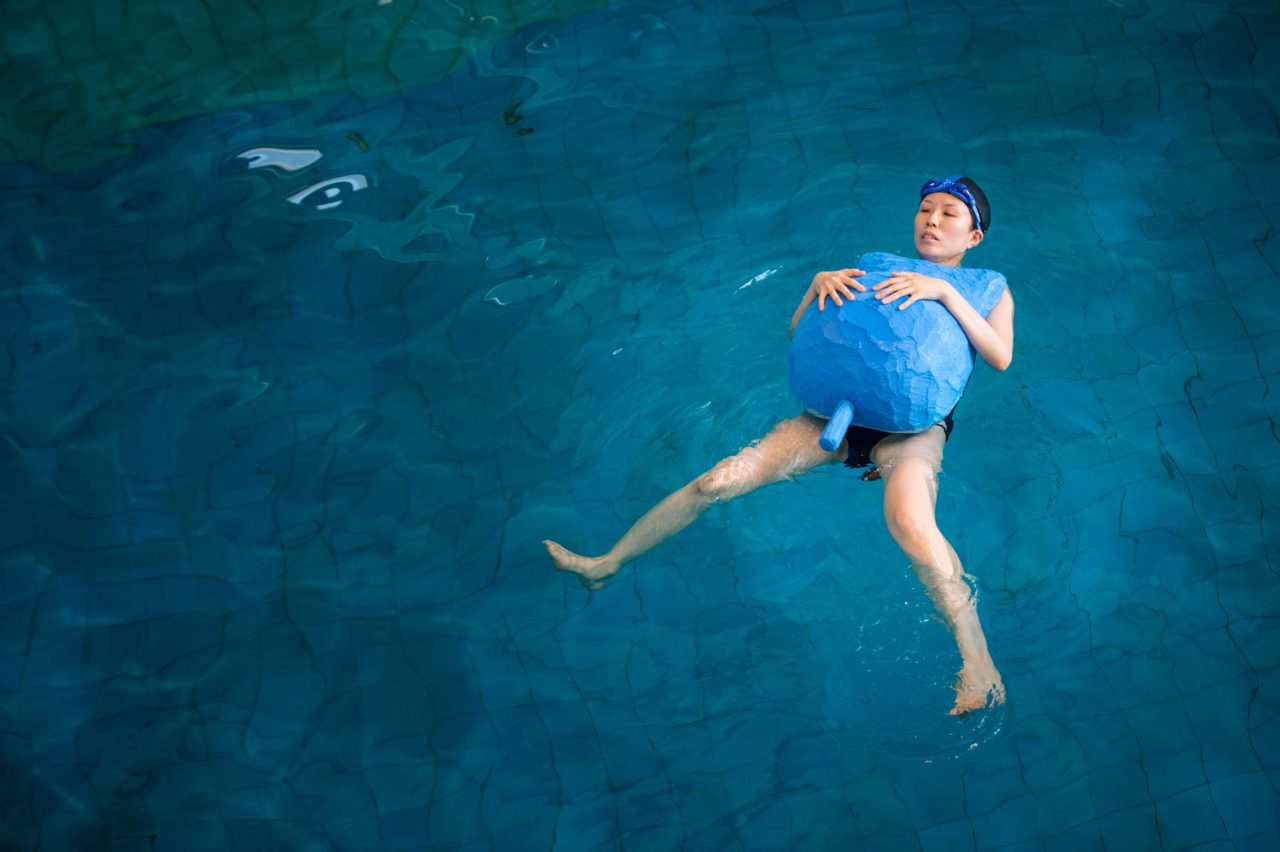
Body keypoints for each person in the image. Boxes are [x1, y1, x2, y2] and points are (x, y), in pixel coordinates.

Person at [545, 176, 1015, 715]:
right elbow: (800, 335)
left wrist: (945, 293)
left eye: (949, 213)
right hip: (829, 417)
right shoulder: (873, 268)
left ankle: (978, 662)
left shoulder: (989, 287)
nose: (931, 220)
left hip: (911, 430)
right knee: (717, 482)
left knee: (910, 522)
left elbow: (1000, 357)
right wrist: (815, 288)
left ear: (974, 237)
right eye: (925, 209)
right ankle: (607, 562)